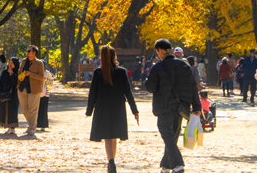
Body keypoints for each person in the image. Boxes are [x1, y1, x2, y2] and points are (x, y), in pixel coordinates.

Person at [145, 39, 201, 173]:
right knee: (173, 136)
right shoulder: (184, 66)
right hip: (181, 106)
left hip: (164, 106)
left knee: (167, 134)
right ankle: (166, 166)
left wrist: (146, 80)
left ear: (159, 50)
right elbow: (193, 87)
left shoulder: (158, 67)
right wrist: (197, 106)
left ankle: (177, 165)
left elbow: (151, 87)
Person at [86, 45, 140, 173]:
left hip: (102, 107)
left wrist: (89, 111)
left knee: (107, 136)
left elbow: (92, 93)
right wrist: (134, 110)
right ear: (114, 56)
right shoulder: (121, 71)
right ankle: (112, 161)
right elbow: (128, 92)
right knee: (114, 135)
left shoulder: (98, 73)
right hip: (118, 107)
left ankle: (110, 161)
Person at [17, 45, 45, 137]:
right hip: (22, 88)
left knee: (33, 109)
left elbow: (42, 77)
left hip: (34, 89)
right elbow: (20, 72)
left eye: (29, 51)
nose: (27, 52)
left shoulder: (39, 63)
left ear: (34, 53)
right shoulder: (24, 61)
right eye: (27, 51)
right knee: (24, 109)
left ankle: (32, 128)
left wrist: (30, 74)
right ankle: (30, 125)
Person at [0, 57, 20, 134]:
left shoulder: (18, 73)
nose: (10, 64)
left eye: (12, 63)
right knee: (4, 110)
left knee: (12, 111)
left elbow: (17, 83)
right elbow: (0, 84)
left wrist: (12, 74)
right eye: (9, 62)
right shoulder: (4, 72)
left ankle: (12, 127)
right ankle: (7, 126)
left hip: (14, 95)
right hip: (4, 94)